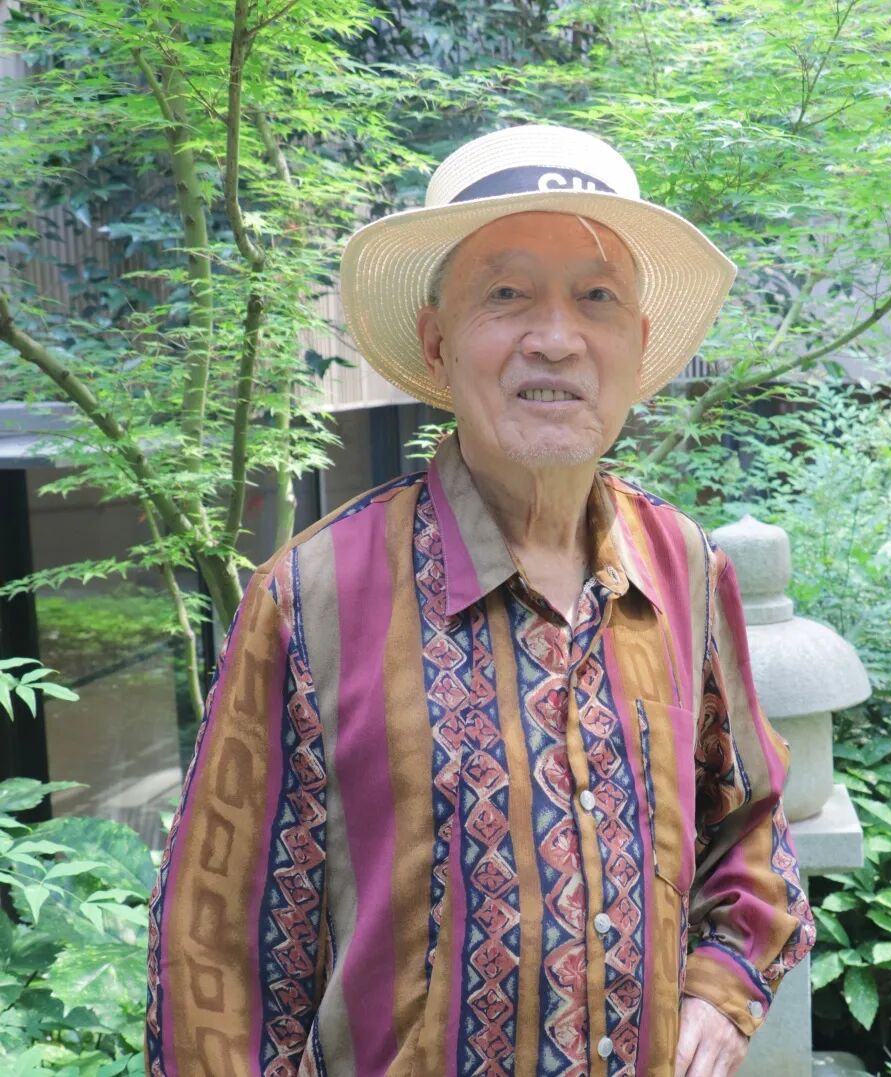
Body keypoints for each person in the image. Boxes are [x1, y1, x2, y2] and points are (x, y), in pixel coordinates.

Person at [145, 123, 814, 1077]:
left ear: (637, 344)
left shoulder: (682, 568)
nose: (555, 337)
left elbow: (748, 824)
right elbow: (216, 955)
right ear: (437, 344)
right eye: (506, 294)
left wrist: (720, 985)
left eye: (596, 297)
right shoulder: (312, 598)